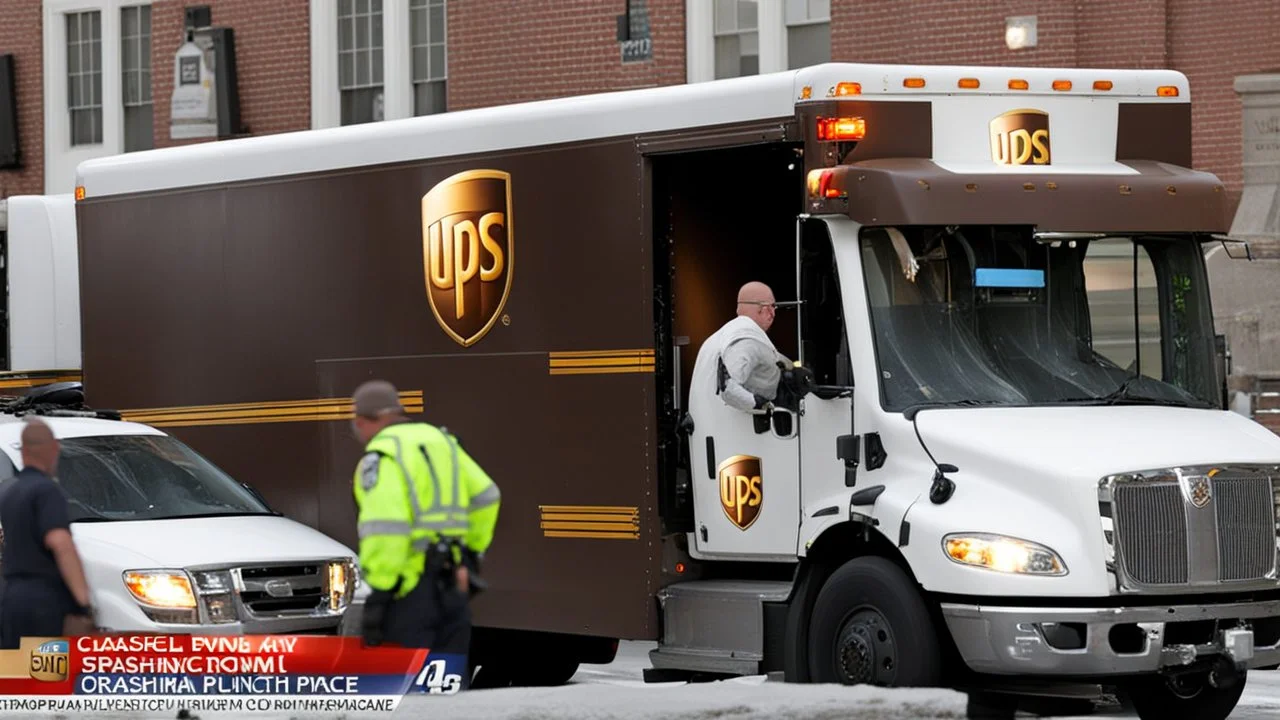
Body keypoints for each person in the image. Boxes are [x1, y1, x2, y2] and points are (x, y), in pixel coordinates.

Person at [349, 380, 500, 682]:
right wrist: (470, 555)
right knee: (447, 681)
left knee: (404, 689)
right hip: (452, 584)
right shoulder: (443, 442)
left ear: (364, 421)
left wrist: (381, 590)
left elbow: (386, 528)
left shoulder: (383, 456)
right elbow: (488, 495)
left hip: (408, 591)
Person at [0, 418, 93, 649]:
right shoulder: (47, 491)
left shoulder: (10, 492)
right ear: (53, 449)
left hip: (12, 600)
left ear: (24, 451)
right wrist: (83, 602)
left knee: (18, 678)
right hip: (43, 602)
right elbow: (60, 543)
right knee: (46, 678)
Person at [710, 281, 793, 412]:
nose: (773, 314)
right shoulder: (745, 339)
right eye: (771, 307)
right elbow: (727, 387)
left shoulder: (737, 333)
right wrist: (759, 404)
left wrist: (792, 367)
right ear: (759, 307)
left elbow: (772, 358)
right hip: (742, 426)